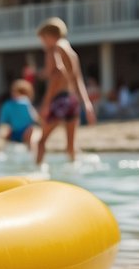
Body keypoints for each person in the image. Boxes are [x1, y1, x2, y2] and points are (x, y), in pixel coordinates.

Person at [34, 17, 97, 164]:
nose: (43, 43)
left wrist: (46, 104)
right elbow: (77, 78)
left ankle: (36, 174)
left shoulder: (54, 49)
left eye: (43, 39)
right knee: (70, 146)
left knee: (41, 142)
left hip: (60, 99)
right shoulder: (71, 51)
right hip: (72, 99)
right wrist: (86, 104)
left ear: (48, 36)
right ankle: (74, 174)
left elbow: (57, 74)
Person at [0, 79, 40, 148]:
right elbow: (35, 119)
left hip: (23, 132)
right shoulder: (9, 105)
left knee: (31, 130)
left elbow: (35, 119)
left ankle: (30, 151)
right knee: (31, 130)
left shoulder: (25, 104)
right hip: (14, 132)